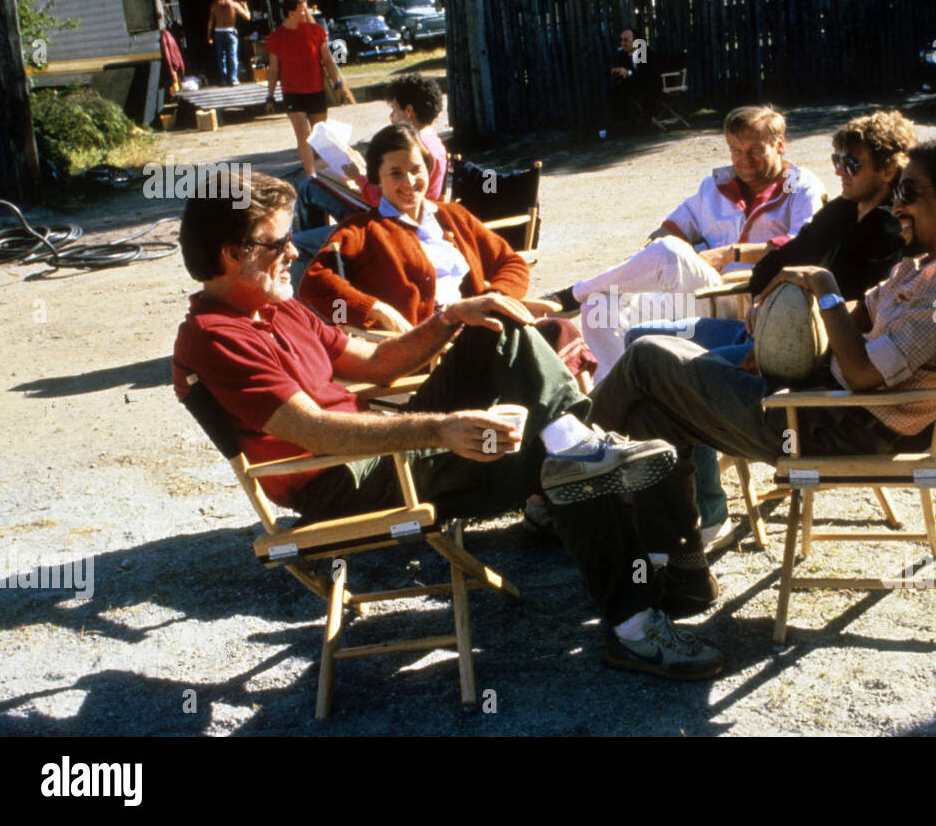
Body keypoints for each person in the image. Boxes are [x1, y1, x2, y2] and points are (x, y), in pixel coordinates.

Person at [171, 173, 727, 680]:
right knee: (554, 464)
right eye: (278, 244)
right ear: (231, 253)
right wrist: (443, 429)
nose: (294, 252)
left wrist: (449, 319)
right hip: (339, 483)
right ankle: (635, 626)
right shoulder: (215, 336)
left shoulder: (278, 307)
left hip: (373, 455)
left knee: (493, 323)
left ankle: (577, 446)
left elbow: (374, 364)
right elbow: (318, 433)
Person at [587, 136, 936, 594]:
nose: (897, 207)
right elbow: (859, 311)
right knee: (654, 412)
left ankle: (569, 458)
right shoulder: (927, 261)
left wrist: (823, 285)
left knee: (649, 355)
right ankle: (685, 572)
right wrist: (774, 341)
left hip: (833, 426)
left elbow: (865, 373)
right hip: (821, 403)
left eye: (908, 194)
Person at [621, 110, 915, 550]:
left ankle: (706, 513)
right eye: (837, 158)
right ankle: (613, 464)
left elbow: (856, 312)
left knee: (672, 382)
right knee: (639, 336)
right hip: (764, 329)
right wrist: (761, 299)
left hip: (799, 354)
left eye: (852, 163)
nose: (839, 170)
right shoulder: (844, 210)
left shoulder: (893, 230)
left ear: (890, 169)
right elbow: (784, 258)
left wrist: (778, 323)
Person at [296, 123, 595, 388]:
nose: (410, 181)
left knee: (558, 331)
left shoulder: (453, 216)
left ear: (428, 169)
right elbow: (314, 285)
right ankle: (573, 434)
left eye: (416, 169)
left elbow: (511, 261)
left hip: (480, 329)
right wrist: (374, 309)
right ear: (377, 178)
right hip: (430, 349)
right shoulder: (362, 230)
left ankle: (581, 427)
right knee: (549, 336)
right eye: (395, 174)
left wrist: (495, 298)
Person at [545, 105, 825, 378]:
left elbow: (800, 246)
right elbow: (667, 231)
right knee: (599, 307)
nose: (744, 160)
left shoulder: (800, 186)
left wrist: (729, 253)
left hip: (755, 299)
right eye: (736, 151)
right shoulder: (715, 186)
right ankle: (617, 394)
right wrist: (673, 256)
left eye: (755, 150)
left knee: (670, 252)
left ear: (779, 145)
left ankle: (569, 295)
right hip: (703, 294)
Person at [293, 73, 448, 234]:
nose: (391, 117)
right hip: (412, 214)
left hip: (391, 221)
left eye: (395, 110)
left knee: (309, 188)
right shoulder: (436, 143)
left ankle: (314, 247)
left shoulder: (413, 149)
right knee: (315, 184)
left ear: (409, 112)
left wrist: (358, 177)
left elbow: (383, 200)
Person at [265, 0, 345, 178]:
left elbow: (328, 60)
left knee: (320, 135)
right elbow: (274, 70)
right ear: (291, 13)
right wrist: (269, 95)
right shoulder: (276, 38)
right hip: (292, 93)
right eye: (302, 9)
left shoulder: (316, 32)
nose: (306, 13)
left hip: (316, 90)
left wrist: (337, 83)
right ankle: (311, 177)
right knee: (303, 132)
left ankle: (326, 172)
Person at [607, 27, 659, 131]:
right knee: (614, 91)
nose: (622, 43)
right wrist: (617, 71)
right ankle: (625, 123)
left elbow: (647, 74)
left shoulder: (646, 52)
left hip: (649, 85)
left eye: (626, 40)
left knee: (647, 90)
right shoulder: (622, 54)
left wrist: (628, 73)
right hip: (633, 86)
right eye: (621, 40)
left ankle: (646, 124)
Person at [207, 0, 250, 86]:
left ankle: (223, 80)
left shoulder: (215, 5)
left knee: (221, 58)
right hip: (230, 32)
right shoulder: (234, 4)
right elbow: (248, 17)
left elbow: (210, 21)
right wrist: (245, 6)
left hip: (218, 33)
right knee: (232, 56)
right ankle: (233, 80)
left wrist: (209, 36)